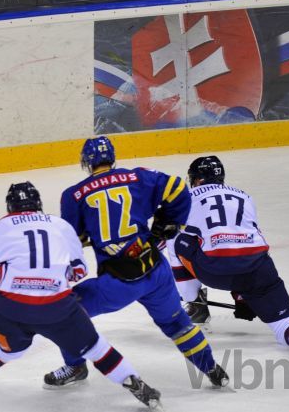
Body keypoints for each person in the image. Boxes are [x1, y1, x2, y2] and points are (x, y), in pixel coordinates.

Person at [0, 182, 164, 410]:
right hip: (57, 307)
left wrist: (23, 279)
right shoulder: (61, 225)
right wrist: (51, 277)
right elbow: (79, 271)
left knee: (8, 350)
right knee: (96, 348)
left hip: (11, 309)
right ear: (39, 204)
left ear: (10, 207)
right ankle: (137, 386)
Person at [43, 136, 228, 389]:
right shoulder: (139, 177)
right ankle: (211, 368)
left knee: (65, 312)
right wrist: (167, 225)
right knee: (176, 323)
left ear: (86, 163)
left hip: (118, 283)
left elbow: (74, 238)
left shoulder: (73, 195)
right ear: (113, 157)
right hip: (156, 272)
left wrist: (90, 237)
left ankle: (75, 366)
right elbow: (177, 187)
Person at [170, 155, 289, 359]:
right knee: (284, 321)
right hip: (257, 269)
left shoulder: (186, 198)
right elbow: (241, 240)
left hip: (214, 270)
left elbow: (162, 237)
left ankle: (195, 304)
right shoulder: (244, 196)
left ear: (197, 180)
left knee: (174, 237)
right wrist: (243, 296)